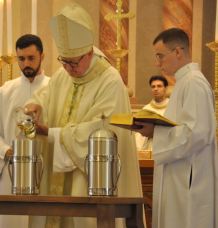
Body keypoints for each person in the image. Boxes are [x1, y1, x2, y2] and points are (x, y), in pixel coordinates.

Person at [24, 3, 143, 228]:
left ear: (89, 53)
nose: (67, 68)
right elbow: (45, 96)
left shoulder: (110, 81)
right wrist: (36, 105)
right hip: (57, 173)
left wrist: (51, 133)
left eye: (73, 62)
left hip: (91, 177)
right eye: (63, 61)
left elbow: (103, 129)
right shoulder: (63, 74)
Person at [134, 28, 218, 228]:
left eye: (160, 56)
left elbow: (197, 133)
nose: (157, 62)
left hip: (189, 183)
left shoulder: (194, 83)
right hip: (180, 177)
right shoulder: (184, 83)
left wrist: (155, 132)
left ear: (178, 52)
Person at [0, 34, 50, 228]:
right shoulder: (6, 90)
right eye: (21, 59)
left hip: (45, 171)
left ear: (42, 56)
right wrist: (5, 149)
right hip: (13, 172)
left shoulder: (54, 87)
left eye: (31, 58)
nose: (26, 64)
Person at [135, 75, 168, 151]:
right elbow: (140, 133)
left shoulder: (173, 107)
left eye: (159, 86)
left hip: (167, 147)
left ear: (166, 88)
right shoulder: (146, 109)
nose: (156, 89)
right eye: (153, 87)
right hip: (150, 148)